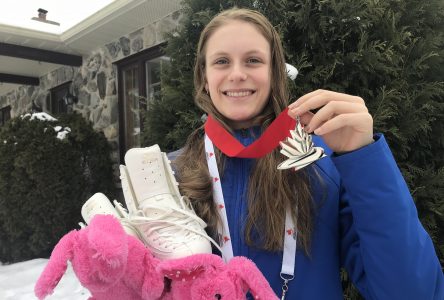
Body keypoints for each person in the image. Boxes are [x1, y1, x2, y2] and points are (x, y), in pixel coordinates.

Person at [172, 7, 444, 299]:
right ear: (204, 76)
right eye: (222, 61)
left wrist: (364, 157)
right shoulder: (171, 174)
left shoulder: (324, 163)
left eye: (253, 60)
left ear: (275, 71)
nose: (237, 74)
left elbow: (412, 292)